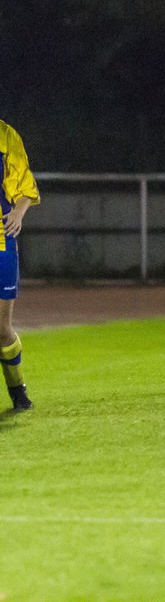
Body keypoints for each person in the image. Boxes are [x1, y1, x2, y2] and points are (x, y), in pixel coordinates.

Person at [1, 119, 41, 411]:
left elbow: (26, 187)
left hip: (1, 242)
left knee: (2, 329)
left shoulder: (5, 136)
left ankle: (18, 391)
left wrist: (18, 211)